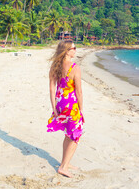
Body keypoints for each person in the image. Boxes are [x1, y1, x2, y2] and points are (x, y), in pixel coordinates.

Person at [47, 40, 85, 178]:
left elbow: (52, 89)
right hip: (71, 105)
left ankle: (66, 163)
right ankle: (63, 167)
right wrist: (81, 110)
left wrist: (54, 108)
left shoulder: (55, 65)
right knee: (76, 136)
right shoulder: (75, 67)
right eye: (74, 48)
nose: (76, 50)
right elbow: (79, 92)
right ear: (67, 51)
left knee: (68, 134)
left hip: (60, 103)